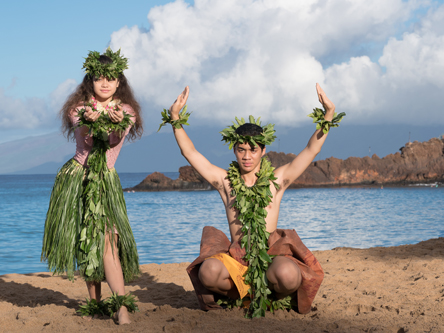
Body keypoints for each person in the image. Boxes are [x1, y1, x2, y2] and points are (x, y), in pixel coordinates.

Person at [163, 84, 339, 316]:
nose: (247, 156)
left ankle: (268, 295)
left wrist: (328, 115)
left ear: (263, 150)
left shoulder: (278, 180)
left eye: (253, 150)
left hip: (271, 257)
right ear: (234, 150)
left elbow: (310, 150)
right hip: (237, 260)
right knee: (208, 273)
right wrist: (175, 118)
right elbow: (191, 153)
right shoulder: (225, 182)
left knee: (289, 276)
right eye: (241, 149)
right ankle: (244, 294)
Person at [41, 48, 142, 325]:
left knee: (109, 240)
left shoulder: (127, 111)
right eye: (99, 78)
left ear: (119, 81)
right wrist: (88, 122)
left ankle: (121, 306)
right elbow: (86, 138)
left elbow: (111, 141)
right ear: (91, 81)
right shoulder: (78, 109)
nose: (105, 83)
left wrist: (116, 127)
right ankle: (95, 303)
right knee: (85, 241)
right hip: (77, 178)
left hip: (106, 181)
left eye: (111, 78)